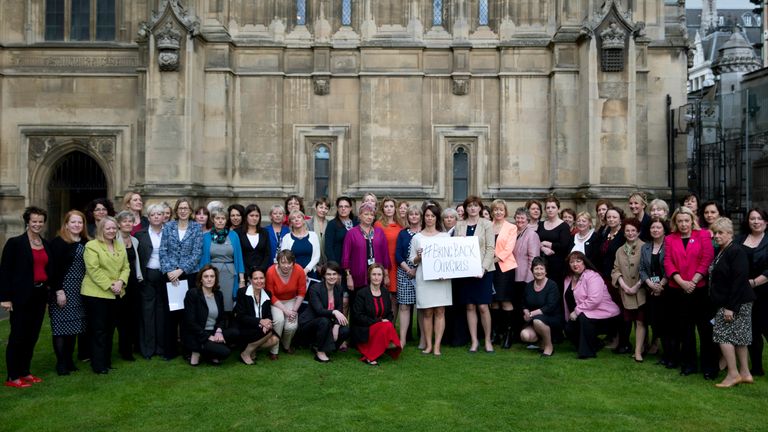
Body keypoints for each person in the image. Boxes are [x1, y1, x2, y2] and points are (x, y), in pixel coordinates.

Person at [663, 206, 717, 379]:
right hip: (678, 290)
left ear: (692, 220)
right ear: (675, 222)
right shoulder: (670, 239)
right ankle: (689, 364)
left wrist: (693, 281)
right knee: (685, 330)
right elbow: (668, 262)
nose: (683, 224)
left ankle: (709, 367)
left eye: (687, 220)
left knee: (705, 330)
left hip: (699, 290)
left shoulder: (703, 235)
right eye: (680, 221)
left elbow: (707, 258)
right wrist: (681, 282)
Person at [1, 207, 52, 387]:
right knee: (18, 336)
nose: (37, 224)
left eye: (40, 221)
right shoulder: (15, 243)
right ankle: (12, 376)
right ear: (27, 222)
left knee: (32, 335)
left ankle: (25, 371)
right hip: (21, 296)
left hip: (39, 295)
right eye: (34, 221)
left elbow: (48, 270)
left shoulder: (45, 244)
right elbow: (5, 272)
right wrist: (5, 298)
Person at [709, 217, 756, 387]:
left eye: (720, 232)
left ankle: (732, 374)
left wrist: (730, 308)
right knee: (739, 337)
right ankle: (745, 373)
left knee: (723, 336)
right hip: (733, 301)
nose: (716, 236)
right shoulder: (722, 250)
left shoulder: (736, 251)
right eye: (714, 233)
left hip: (734, 302)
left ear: (730, 234)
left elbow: (739, 280)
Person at [81, 217, 129, 374]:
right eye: (108, 228)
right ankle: (98, 364)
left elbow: (126, 267)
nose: (112, 231)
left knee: (109, 330)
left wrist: (121, 282)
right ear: (101, 229)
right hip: (96, 294)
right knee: (98, 330)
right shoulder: (91, 246)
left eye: (114, 228)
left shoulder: (119, 245)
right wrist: (110, 285)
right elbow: (93, 269)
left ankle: (106, 361)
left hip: (116, 294)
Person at [159, 198, 203, 360]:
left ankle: (187, 349)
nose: (183, 211)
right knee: (170, 315)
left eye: (186, 208)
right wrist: (170, 271)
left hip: (189, 275)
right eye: (180, 208)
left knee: (187, 315)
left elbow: (197, 253)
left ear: (190, 211)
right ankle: (169, 351)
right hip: (170, 277)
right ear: (176, 211)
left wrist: (181, 270)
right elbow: (163, 251)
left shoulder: (196, 228)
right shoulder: (168, 227)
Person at [48, 210, 89, 376]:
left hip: (80, 289)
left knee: (74, 327)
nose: (77, 225)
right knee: (60, 327)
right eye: (73, 222)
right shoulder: (58, 243)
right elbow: (53, 269)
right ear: (66, 224)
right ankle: (61, 363)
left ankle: (70, 360)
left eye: (80, 222)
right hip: (63, 288)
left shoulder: (86, 242)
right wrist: (59, 291)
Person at [454, 196, 496, 353]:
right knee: (470, 306)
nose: (472, 208)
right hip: (466, 271)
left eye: (475, 206)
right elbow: (455, 248)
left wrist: (483, 268)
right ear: (465, 209)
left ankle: (487, 340)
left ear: (480, 208)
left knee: (483, 306)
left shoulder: (487, 224)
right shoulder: (460, 225)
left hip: (484, 271)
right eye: (469, 206)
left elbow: (491, 248)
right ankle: (474, 341)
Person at [410, 204, 452, 356]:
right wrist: (418, 257)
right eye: (427, 215)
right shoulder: (417, 238)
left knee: (440, 311)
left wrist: (447, 272)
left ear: (436, 218)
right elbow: (412, 261)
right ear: (424, 217)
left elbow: (449, 259)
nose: (429, 218)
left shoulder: (444, 237)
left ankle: (437, 346)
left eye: (432, 216)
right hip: (424, 279)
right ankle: (428, 344)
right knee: (427, 312)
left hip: (441, 280)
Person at [563, 251, 620, 359]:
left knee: (585, 318)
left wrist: (577, 311)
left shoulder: (592, 276)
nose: (575, 264)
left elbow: (594, 299)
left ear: (584, 263)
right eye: (572, 262)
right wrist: (569, 317)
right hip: (584, 313)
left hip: (605, 314)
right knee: (568, 328)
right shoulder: (568, 279)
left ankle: (586, 353)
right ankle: (596, 344)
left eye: (578, 261)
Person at [182, 265, 236, 366]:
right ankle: (197, 351)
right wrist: (208, 337)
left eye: (212, 276)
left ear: (216, 279)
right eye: (206, 276)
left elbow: (222, 317)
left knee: (235, 333)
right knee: (225, 352)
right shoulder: (193, 294)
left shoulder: (218, 294)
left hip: (214, 331)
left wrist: (219, 331)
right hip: (197, 334)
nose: (209, 279)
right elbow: (190, 322)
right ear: (201, 279)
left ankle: (209, 352)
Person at [736, 208, 768, 377]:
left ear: (766, 222)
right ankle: (756, 368)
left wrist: (754, 282)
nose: (756, 221)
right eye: (752, 218)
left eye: (759, 218)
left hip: (765, 291)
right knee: (752, 330)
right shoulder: (740, 239)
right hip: (745, 294)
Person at [610, 218, 647, 362]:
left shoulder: (645, 247)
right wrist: (624, 285)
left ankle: (638, 351)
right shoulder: (620, 250)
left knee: (640, 321)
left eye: (633, 231)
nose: (630, 233)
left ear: (638, 232)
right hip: (625, 291)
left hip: (641, 291)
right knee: (630, 320)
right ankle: (641, 346)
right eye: (627, 231)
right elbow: (615, 270)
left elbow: (647, 270)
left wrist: (637, 286)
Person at [298, 262, 350, 362]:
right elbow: (319, 310)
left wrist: (336, 325)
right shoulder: (315, 288)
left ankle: (323, 347)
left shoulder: (339, 289)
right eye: (329, 274)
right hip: (309, 324)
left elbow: (339, 309)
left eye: (334, 274)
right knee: (324, 320)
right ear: (324, 275)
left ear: (338, 275)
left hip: (325, 324)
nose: (332, 277)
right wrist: (334, 312)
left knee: (345, 329)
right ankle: (320, 352)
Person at [341, 202, 391, 305]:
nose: (369, 217)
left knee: (374, 306)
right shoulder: (352, 233)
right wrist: (348, 277)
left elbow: (385, 254)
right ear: (360, 216)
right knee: (357, 307)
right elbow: (346, 256)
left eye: (372, 215)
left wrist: (386, 275)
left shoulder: (379, 232)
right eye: (366, 214)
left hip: (376, 277)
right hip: (357, 277)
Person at [351, 264, 402, 365]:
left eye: (379, 274)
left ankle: (377, 348)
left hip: (381, 328)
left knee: (387, 326)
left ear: (383, 276)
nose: (376, 277)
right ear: (369, 276)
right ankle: (370, 356)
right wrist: (379, 321)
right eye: (374, 274)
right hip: (365, 329)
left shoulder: (385, 292)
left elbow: (390, 314)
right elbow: (358, 316)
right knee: (386, 326)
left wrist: (385, 322)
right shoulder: (362, 293)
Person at [134, 203, 166, 359]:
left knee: (162, 312)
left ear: (163, 216)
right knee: (147, 312)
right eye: (153, 214)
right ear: (149, 217)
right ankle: (147, 348)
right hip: (148, 277)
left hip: (165, 276)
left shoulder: (170, 233)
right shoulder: (140, 235)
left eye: (159, 214)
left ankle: (161, 347)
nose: (156, 217)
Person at [199, 207, 246, 313]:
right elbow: (203, 259)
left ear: (226, 220)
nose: (220, 221)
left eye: (223, 218)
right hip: (211, 275)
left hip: (230, 274)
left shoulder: (233, 235)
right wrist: (203, 277)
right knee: (213, 302)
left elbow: (239, 257)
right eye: (217, 218)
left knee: (228, 304)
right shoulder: (206, 237)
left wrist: (241, 280)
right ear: (213, 220)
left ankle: (226, 326)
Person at [639, 218, 670, 364]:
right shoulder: (645, 247)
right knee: (655, 321)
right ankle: (661, 351)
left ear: (664, 230)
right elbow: (642, 269)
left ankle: (669, 354)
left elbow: (671, 267)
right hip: (651, 289)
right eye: (653, 228)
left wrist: (661, 285)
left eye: (658, 227)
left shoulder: (669, 245)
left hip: (667, 290)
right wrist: (651, 285)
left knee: (666, 323)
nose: (655, 230)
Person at [232, 268, 280, 364]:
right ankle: (246, 353)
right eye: (256, 278)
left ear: (265, 279)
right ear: (250, 280)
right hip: (245, 327)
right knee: (269, 334)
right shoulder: (242, 292)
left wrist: (268, 323)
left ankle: (252, 350)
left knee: (275, 339)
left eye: (261, 278)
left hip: (260, 328)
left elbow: (268, 314)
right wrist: (260, 321)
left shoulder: (267, 293)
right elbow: (240, 316)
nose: (259, 281)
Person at [265, 250, 306, 358]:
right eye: (283, 262)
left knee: (291, 326)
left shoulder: (299, 270)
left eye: (289, 263)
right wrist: (285, 310)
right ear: (278, 262)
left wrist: (293, 311)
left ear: (293, 263)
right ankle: (274, 350)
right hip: (276, 301)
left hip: (292, 300)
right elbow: (270, 295)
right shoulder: (270, 272)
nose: (286, 266)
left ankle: (286, 345)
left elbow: (301, 293)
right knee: (279, 320)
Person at [115, 211, 144, 362]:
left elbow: (136, 261)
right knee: (122, 318)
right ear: (118, 224)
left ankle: (130, 346)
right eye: (124, 221)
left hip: (134, 282)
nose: (127, 223)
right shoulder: (114, 240)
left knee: (133, 316)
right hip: (120, 282)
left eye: (130, 221)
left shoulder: (135, 240)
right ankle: (125, 350)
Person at [520, 257, 563, 357]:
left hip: (552, 318)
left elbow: (550, 307)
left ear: (546, 271)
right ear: (532, 271)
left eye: (541, 268)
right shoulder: (529, 286)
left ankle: (549, 346)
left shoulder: (552, 285)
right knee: (525, 336)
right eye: (536, 269)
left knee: (538, 321)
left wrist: (531, 314)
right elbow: (523, 303)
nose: (539, 271)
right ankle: (542, 341)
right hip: (534, 319)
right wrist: (526, 311)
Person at [490, 199, 518, 348]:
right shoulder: (488, 226)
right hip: (490, 268)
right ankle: (496, 333)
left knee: (505, 300)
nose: (498, 212)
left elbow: (508, 249)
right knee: (494, 301)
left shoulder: (511, 227)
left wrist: (493, 260)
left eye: (501, 209)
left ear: (505, 211)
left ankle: (508, 334)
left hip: (505, 268)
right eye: (495, 209)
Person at [395, 205, 422, 347]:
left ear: (420, 216)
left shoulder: (424, 233)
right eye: (411, 214)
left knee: (423, 306)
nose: (414, 217)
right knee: (404, 306)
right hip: (405, 271)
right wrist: (408, 269)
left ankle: (423, 338)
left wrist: (416, 270)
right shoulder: (403, 233)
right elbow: (398, 254)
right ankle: (403, 338)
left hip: (422, 271)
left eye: (416, 214)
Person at [375, 197, 404, 314]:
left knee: (395, 297)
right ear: (382, 209)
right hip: (384, 264)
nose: (389, 209)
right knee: (383, 295)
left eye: (391, 206)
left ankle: (391, 325)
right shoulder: (378, 225)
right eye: (386, 206)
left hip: (398, 264)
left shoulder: (400, 224)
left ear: (395, 209)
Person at [538, 196, 572, 289]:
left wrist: (548, 244)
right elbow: (536, 241)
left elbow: (564, 246)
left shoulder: (564, 226)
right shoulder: (541, 224)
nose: (550, 210)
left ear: (558, 209)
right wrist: (542, 248)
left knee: (556, 290)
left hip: (558, 265)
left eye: (553, 207)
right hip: (542, 264)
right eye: (548, 207)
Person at [281, 210, 321, 279]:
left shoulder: (313, 235)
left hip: (311, 273)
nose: (296, 219)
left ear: (303, 220)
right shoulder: (286, 238)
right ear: (290, 223)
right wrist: (298, 272)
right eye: (293, 218)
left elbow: (316, 256)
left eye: (299, 217)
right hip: (292, 274)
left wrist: (305, 271)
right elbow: (285, 258)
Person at [238, 203, 271, 273]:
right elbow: (238, 255)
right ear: (246, 217)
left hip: (261, 274)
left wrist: (261, 270)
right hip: (243, 273)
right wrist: (247, 272)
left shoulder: (264, 232)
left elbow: (267, 254)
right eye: (251, 215)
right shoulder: (238, 233)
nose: (254, 218)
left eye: (257, 216)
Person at [324, 196, 357, 265]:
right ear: (337, 208)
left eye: (346, 206)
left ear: (350, 208)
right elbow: (328, 248)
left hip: (355, 262)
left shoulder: (356, 223)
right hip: (338, 262)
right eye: (340, 206)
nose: (343, 209)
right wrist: (334, 265)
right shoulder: (332, 224)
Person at [307, 198, 331, 266]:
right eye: (321, 207)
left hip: (327, 262)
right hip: (311, 261)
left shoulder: (330, 224)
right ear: (315, 207)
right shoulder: (307, 224)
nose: (323, 210)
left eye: (326, 208)